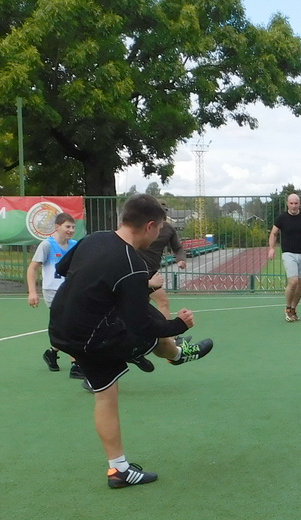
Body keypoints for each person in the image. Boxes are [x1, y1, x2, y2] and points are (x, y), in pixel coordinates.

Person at [48, 193, 214, 488]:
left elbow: (63, 270)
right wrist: (178, 324)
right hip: (96, 337)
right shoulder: (133, 263)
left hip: (61, 328)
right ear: (150, 226)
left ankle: (118, 470)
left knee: (105, 395)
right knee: (149, 332)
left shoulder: (94, 238)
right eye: (159, 229)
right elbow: (142, 324)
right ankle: (176, 354)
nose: (159, 234)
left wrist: (128, 288)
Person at [26, 212, 84, 380]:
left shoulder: (74, 245)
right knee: (70, 325)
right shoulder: (47, 245)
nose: (71, 230)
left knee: (66, 326)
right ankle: (76, 365)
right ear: (57, 227)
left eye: (73, 227)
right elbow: (32, 268)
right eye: (67, 226)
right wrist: (32, 291)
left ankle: (51, 353)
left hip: (70, 291)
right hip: (52, 292)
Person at [267, 193, 301, 322]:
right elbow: (273, 233)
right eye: (291, 203)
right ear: (287, 204)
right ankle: (287, 308)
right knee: (293, 281)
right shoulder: (282, 218)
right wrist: (271, 248)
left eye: (296, 203)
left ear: (299, 204)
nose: (293, 206)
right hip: (288, 253)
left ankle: (293, 309)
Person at [137, 199, 187, 319]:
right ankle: (167, 333)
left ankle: (164, 331)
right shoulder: (140, 225)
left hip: (152, 271)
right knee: (160, 301)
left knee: (149, 304)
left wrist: (181, 260)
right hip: (137, 269)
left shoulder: (169, 229)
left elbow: (178, 248)